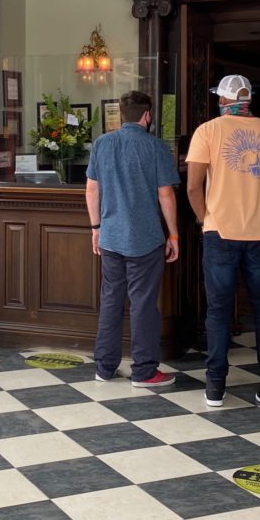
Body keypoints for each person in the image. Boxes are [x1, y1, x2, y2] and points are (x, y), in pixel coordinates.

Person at [186, 74, 260, 410]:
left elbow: (193, 186)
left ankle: (215, 388)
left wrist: (203, 217)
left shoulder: (207, 131)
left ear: (222, 100)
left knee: (218, 311)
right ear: (248, 99)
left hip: (220, 233)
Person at [86, 90, 180, 387]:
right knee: (142, 304)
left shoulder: (102, 144)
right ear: (147, 116)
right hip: (145, 239)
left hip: (111, 238)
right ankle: (144, 371)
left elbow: (91, 189)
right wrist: (174, 234)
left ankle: (104, 367)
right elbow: (165, 194)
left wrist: (96, 228)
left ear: (121, 115)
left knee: (111, 300)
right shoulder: (155, 147)